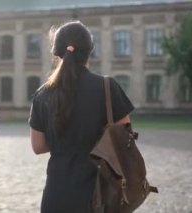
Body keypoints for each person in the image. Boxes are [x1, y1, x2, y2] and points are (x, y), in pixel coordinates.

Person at [28, 21, 134, 212]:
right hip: (100, 194)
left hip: (56, 195)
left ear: (57, 53)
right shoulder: (107, 88)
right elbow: (125, 137)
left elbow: (38, 146)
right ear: (89, 51)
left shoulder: (42, 94)